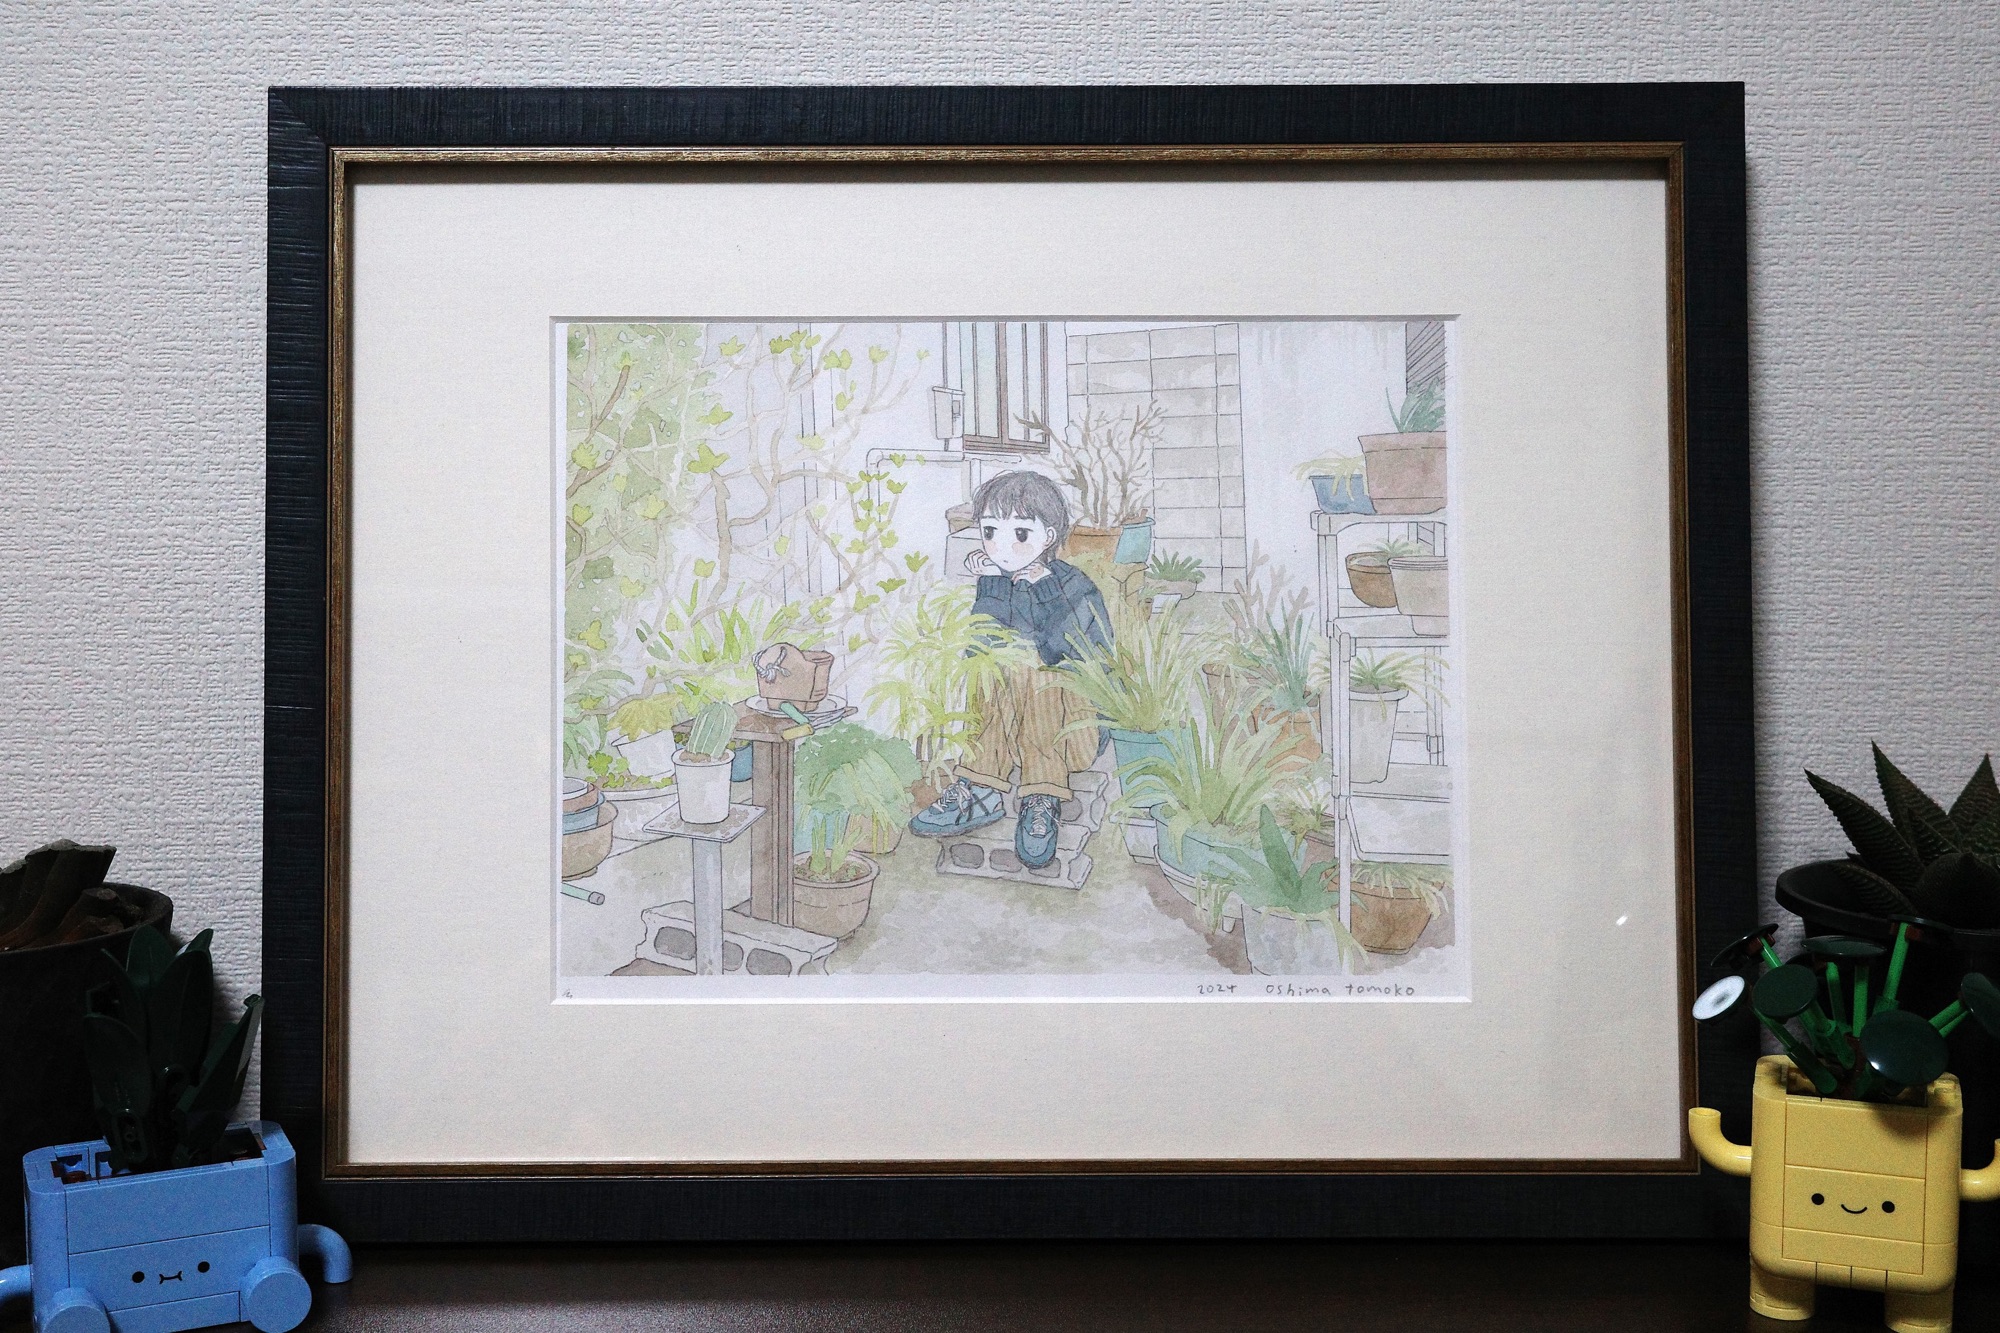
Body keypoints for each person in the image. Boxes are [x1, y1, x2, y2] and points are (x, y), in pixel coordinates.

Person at [908, 470, 1111, 869]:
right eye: (990, 532)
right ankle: (981, 789)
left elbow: (1069, 652)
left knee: (1038, 673)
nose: (1002, 547)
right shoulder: (998, 580)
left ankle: (1042, 796)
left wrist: (1045, 589)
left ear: (1048, 537)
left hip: (1073, 730)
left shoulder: (1075, 587)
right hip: (1012, 732)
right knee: (993, 665)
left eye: (1019, 534)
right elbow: (979, 649)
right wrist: (992, 587)